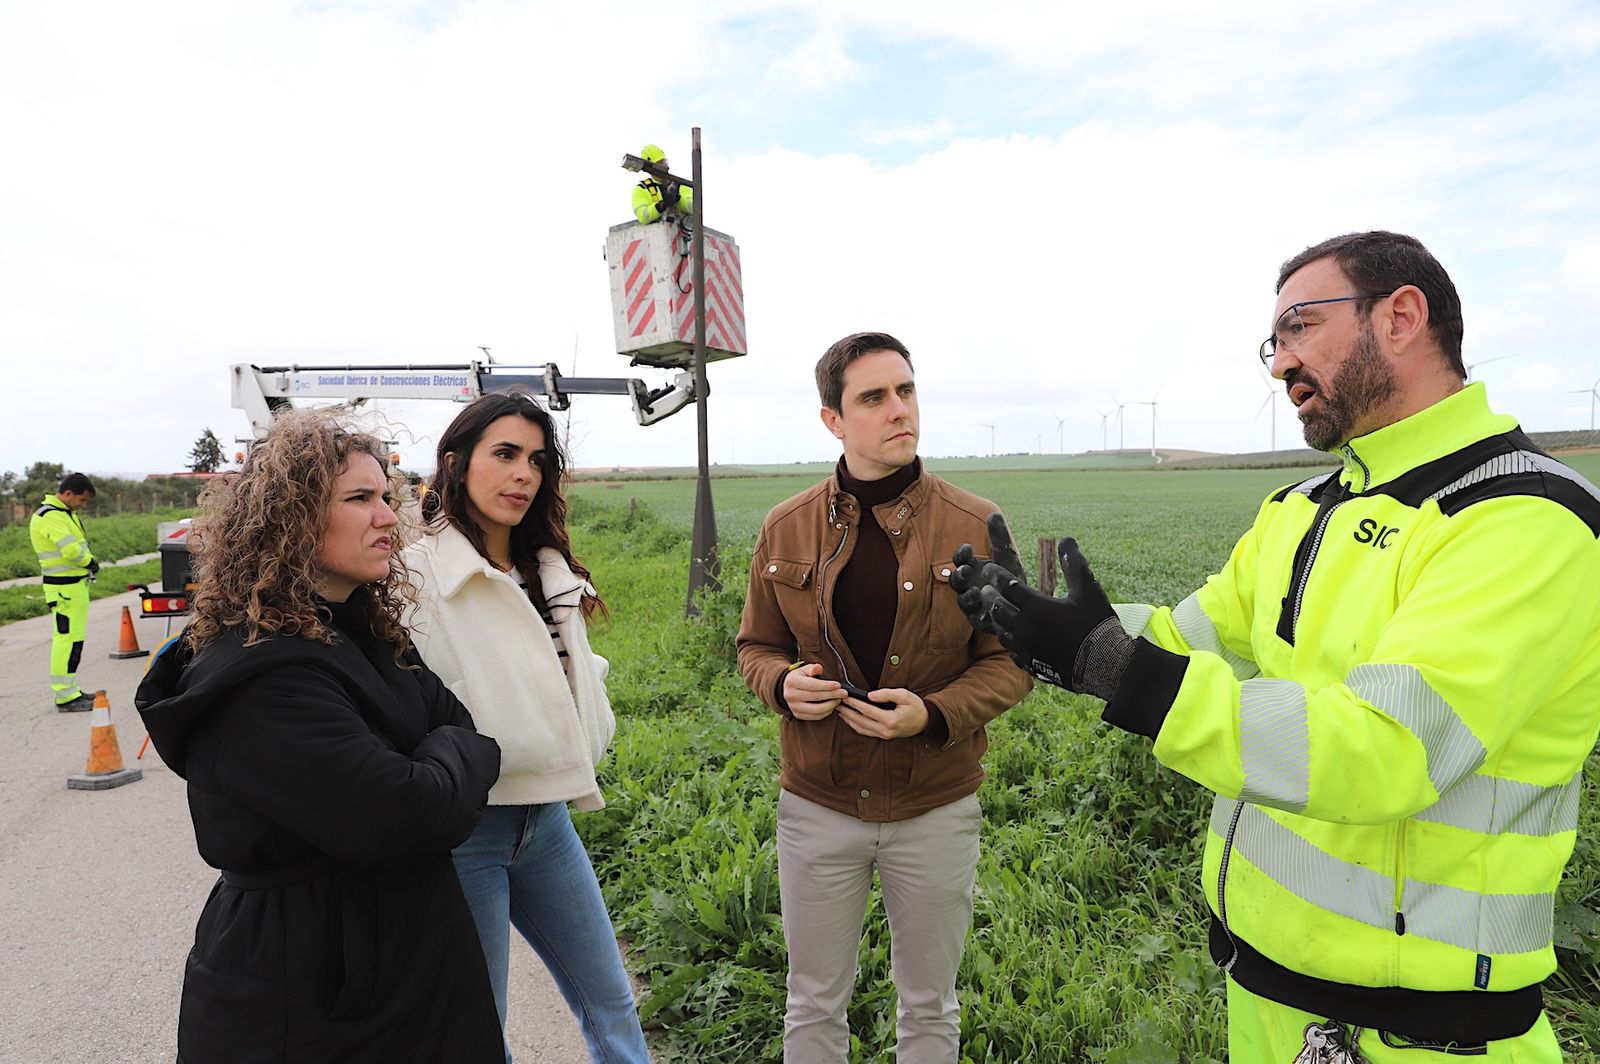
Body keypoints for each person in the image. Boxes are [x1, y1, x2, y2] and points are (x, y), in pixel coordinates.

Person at [953, 231, 1600, 1062]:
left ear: (1401, 317)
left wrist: (1113, 665)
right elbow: (1187, 639)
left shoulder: (1521, 520)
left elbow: (1382, 750)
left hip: (1420, 1034)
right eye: (1274, 342)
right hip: (1263, 993)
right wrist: (1043, 625)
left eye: (1300, 326)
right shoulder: (1303, 508)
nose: (1280, 364)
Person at [135, 410, 505, 1064]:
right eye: (359, 498)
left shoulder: (362, 630)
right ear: (291, 517)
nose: (388, 517)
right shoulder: (261, 675)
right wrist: (445, 762)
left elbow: (463, 729)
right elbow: (407, 814)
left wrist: (440, 759)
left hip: (406, 960)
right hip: (312, 989)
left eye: (386, 496)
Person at [735, 331, 1033, 1063]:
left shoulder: (976, 526)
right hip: (818, 804)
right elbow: (755, 647)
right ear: (833, 420)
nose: (899, 409)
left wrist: (934, 714)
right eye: (873, 397)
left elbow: (1015, 661)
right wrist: (782, 684)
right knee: (812, 1002)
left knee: (930, 1005)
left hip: (934, 806)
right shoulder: (786, 526)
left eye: (906, 390)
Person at [403, 391, 649, 1064]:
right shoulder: (414, 576)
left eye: (538, 461)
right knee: (482, 1027)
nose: (524, 475)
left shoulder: (545, 565)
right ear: (456, 463)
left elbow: (567, 670)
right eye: (506, 454)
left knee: (612, 1003)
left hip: (550, 821)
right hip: (466, 831)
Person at [31, 472, 99, 710]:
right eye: (82, 500)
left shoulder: (62, 513)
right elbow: (71, 550)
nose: (83, 505)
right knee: (67, 641)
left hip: (72, 587)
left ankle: (71, 690)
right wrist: (90, 562)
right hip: (64, 589)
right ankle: (65, 696)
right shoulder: (50, 516)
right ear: (68, 493)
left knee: (74, 641)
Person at [631, 142, 692, 224]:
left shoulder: (680, 184)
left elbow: (694, 207)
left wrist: (678, 199)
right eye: (658, 163)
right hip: (656, 230)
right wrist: (661, 206)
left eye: (663, 161)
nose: (663, 166)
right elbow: (643, 216)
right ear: (649, 168)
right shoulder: (642, 188)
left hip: (684, 229)